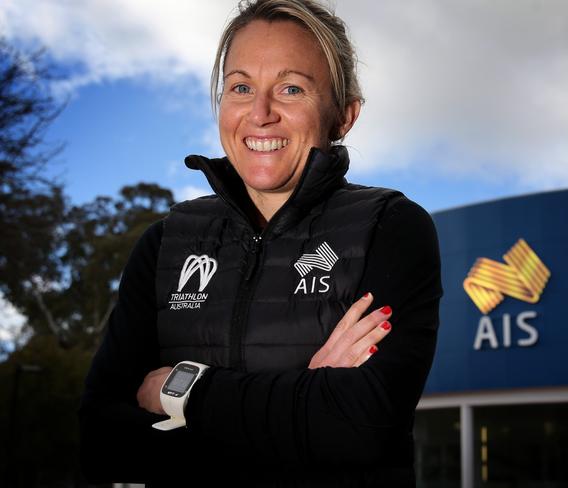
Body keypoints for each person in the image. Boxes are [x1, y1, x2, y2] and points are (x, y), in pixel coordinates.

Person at [79, 0, 442, 486]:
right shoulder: (166, 244)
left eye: (292, 88)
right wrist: (308, 396)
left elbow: (358, 429)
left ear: (344, 116)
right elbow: (104, 441)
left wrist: (180, 391)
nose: (261, 113)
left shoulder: (390, 229)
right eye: (241, 87)